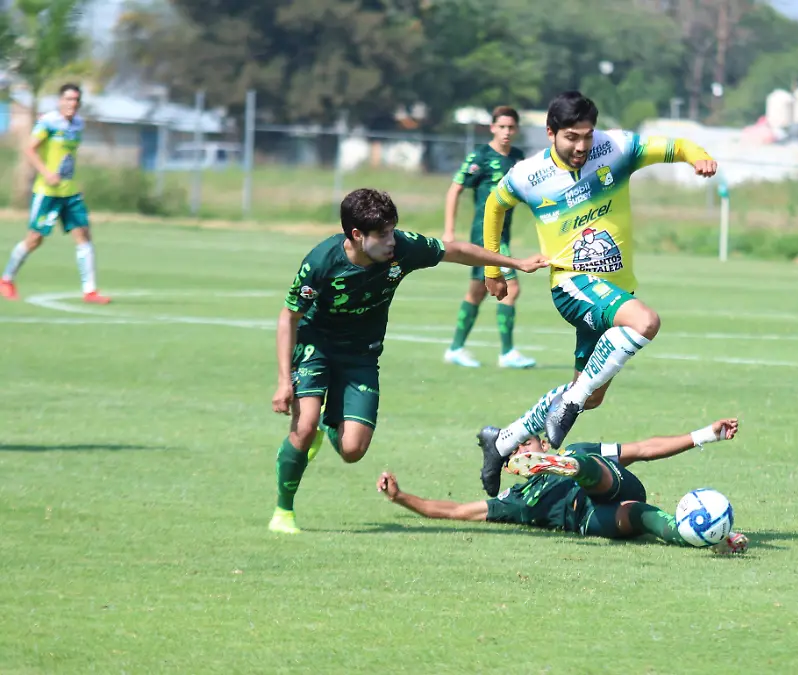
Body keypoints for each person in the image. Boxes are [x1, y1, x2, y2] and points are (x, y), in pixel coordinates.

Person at [475, 90, 719, 496]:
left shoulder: (616, 148)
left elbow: (676, 146)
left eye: (587, 135)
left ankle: (502, 441)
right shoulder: (528, 175)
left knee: (590, 395)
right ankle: (569, 403)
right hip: (572, 284)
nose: (582, 146)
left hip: (614, 290)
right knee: (645, 322)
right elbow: (494, 205)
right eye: (571, 137)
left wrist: (699, 157)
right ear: (551, 133)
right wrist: (492, 269)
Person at [269, 188, 548, 534]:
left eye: (393, 230)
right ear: (356, 235)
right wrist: (283, 381)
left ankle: (328, 425)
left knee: (352, 450)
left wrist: (514, 264)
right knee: (303, 426)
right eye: (383, 234)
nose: (392, 240)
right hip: (317, 345)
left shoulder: (402, 248)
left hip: (361, 353)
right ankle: (283, 511)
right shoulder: (321, 262)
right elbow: (289, 317)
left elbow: (457, 250)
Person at [376, 417, 748, 554]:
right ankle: (706, 537)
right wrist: (400, 497)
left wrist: (707, 434)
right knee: (640, 515)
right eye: (513, 451)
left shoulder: (578, 447)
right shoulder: (515, 500)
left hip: (610, 480)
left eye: (524, 442)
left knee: (583, 459)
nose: (521, 449)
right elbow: (455, 510)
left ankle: (570, 468)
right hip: (594, 519)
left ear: (542, 443)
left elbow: (643, 449)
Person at [442, 106, 535, 370]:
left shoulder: (517, 158)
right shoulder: (480, 156)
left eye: (511, 127)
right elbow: (455, 189)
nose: (506, 132)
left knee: (478, 291)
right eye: (501, 127)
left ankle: (455, 348)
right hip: (485, 235)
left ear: (516, 130)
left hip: (503, 233)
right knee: (511, 288)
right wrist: (449, 230)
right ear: (493, 128)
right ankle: (507, 353)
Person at [1, 84, 109, 304]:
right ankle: (6, 279)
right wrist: (46, 173)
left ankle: (90, 291)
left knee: (83, 235)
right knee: (35, 239)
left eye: (76, 100)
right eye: (68, 99)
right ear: (60, 101)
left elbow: (68, 157)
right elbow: (29, 149)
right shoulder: (48, 122)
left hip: (70, 192)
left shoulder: (78, 124)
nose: (72, 104)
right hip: (47, 192)